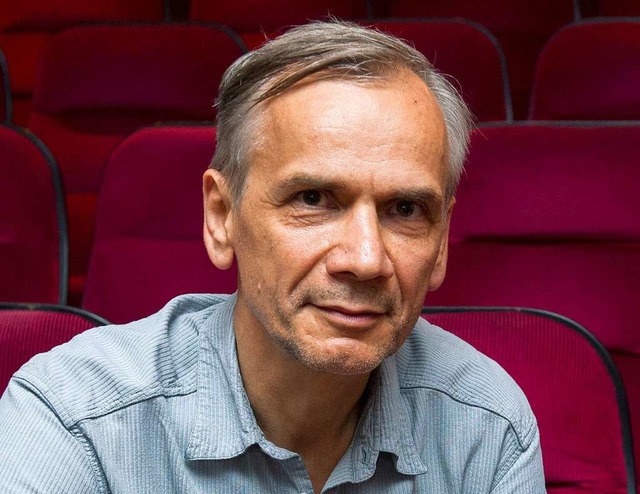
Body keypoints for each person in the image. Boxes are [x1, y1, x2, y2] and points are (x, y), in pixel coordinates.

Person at [0, 21, 545, 493]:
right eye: (312, 199)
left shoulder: (486, 426)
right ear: (221, 216)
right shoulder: (77, 420)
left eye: (404, 209)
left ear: (443, 240)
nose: (365, 258)